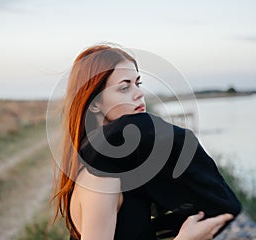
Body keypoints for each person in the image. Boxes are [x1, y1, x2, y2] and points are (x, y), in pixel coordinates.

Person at [51, 44, 240, 240]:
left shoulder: (116, 166)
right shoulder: (102, 180)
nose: (139, 94)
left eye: (137, 84)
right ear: (95, 103)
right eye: (124, 87)